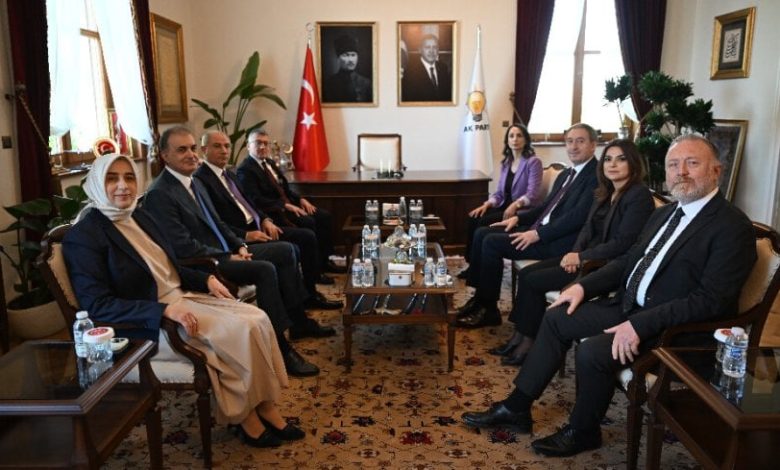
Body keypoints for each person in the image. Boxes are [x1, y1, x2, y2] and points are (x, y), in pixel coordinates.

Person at [461, 134, 757, 458]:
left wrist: (640, 325)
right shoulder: (666, 214)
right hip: (629, 306)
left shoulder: (732, 227)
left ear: (716, 170)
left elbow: (710, 300)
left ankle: (583, 432)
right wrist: (583, 287)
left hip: (671, 330)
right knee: (557, 316)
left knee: (592, 352)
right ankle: (517, 407)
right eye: (674, 164)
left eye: (692, 163)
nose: (681, 172)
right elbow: (628, 260)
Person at [63, 154, 304, 448]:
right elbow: (98, 306)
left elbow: (169, 267)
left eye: (129, 177)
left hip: (182, 298)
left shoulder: (139, 216)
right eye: (112, 178)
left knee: (258, 319)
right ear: (96, 184)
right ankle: (244, 418)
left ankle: (264, 406)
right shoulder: (84, 236)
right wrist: (164, 310)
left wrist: (206, 280)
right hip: (148, 321)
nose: (123, 186)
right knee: (238, 331)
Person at [144, 126, 323, 377]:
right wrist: (226, 256)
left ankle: (298, 321)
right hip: (202, 263)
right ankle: (281, 348)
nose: (191, 155)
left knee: (284, 251)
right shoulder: (160, 193)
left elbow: (218, 223)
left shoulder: (194, 181)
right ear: (165, 155)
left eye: (193, 148)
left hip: (224, 250)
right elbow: (182, 245)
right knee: (264, 269)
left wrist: (240, 245)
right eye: (182, 150)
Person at [493, 139, 654, 366]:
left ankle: (527, 344)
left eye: (621, 159)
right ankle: (519, 337)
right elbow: (587, 228)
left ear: (633, 163)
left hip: (604, 267)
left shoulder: (639, 196)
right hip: (584, 257)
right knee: (528, 275)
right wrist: (574, 253)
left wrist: (581, 257)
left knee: (535, 281)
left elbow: (622, 244)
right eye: (608, 159)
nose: (612, 164)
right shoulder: (606, 191)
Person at [456, 123, 600, 329]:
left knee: (491, 242)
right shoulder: (567, 174)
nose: (573, 147)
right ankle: (480, 299)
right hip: (540, 231)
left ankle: (488, 309)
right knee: (482, 232)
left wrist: (537, 234)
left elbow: (577, 218)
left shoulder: (596, 177)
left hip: (557, 242)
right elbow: (545, 207)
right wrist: (518, 219)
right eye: (569, 141)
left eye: (580, 141)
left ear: (593, 145)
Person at [193, 130, 343, 314]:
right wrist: (245, 236)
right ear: (204, 150)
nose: (224, 151)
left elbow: (250, 203)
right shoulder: (201, 180)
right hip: (241, 237)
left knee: (303, 238)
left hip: (259, 225)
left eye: (227, 146)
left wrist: (265, 219)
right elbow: (215, 222)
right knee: (297, 242)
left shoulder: (229, 174)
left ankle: (305, 299)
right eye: (217, 146)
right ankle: (301, 307)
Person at [237, 128, 343, 274]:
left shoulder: (269, 163)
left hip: (288, 206)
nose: (262, 147)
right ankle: (315, 271)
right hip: (274, 212)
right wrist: (285, 205)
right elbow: (255, 200)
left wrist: (300, 199)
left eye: (266, 143)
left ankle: (324, 262)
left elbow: (284, 189)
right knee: (308, 222)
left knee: (324, 217)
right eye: (258, 143)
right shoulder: (245, 170)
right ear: (248, 146)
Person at [461, 124, 543, 279]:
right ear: (507, 141)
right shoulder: (506, 163)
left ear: (526, 140)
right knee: (475, 217)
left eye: (519, 135)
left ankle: (476, 270)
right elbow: (499, 193)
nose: (515, 139)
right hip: (504, 206)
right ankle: (472, 265)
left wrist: (515, 204)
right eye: (511, 136)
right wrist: (487, 204)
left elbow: (532, 194)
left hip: (520, 212)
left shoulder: (533, 162)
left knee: (482, 225)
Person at [401, 34, 452, 102]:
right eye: (427, 47)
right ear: (420, 50)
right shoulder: (410, 72)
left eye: (434, 47)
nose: (431, 51)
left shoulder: (443, 68)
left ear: (438, 50)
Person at [321, 33, 372, 103]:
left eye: (353, 55)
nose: (350, 60)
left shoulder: (366, 83)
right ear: (338, 58)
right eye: (346, 55)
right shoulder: (329, 84)